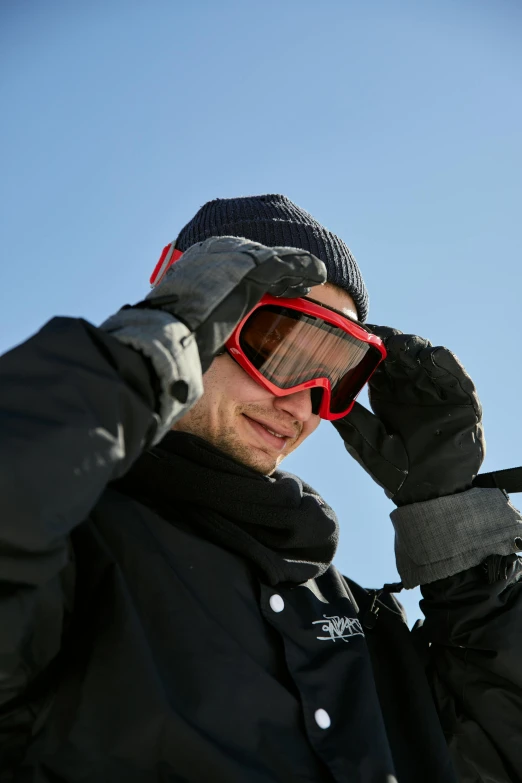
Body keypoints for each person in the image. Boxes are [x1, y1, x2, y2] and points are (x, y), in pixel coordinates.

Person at [1, 194, 521, 783]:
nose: (300, 405)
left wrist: (466, 552)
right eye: (279, 347)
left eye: (336, 371)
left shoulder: (355, 617)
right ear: (196, 321)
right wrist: (140, 352)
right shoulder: (71, 548)